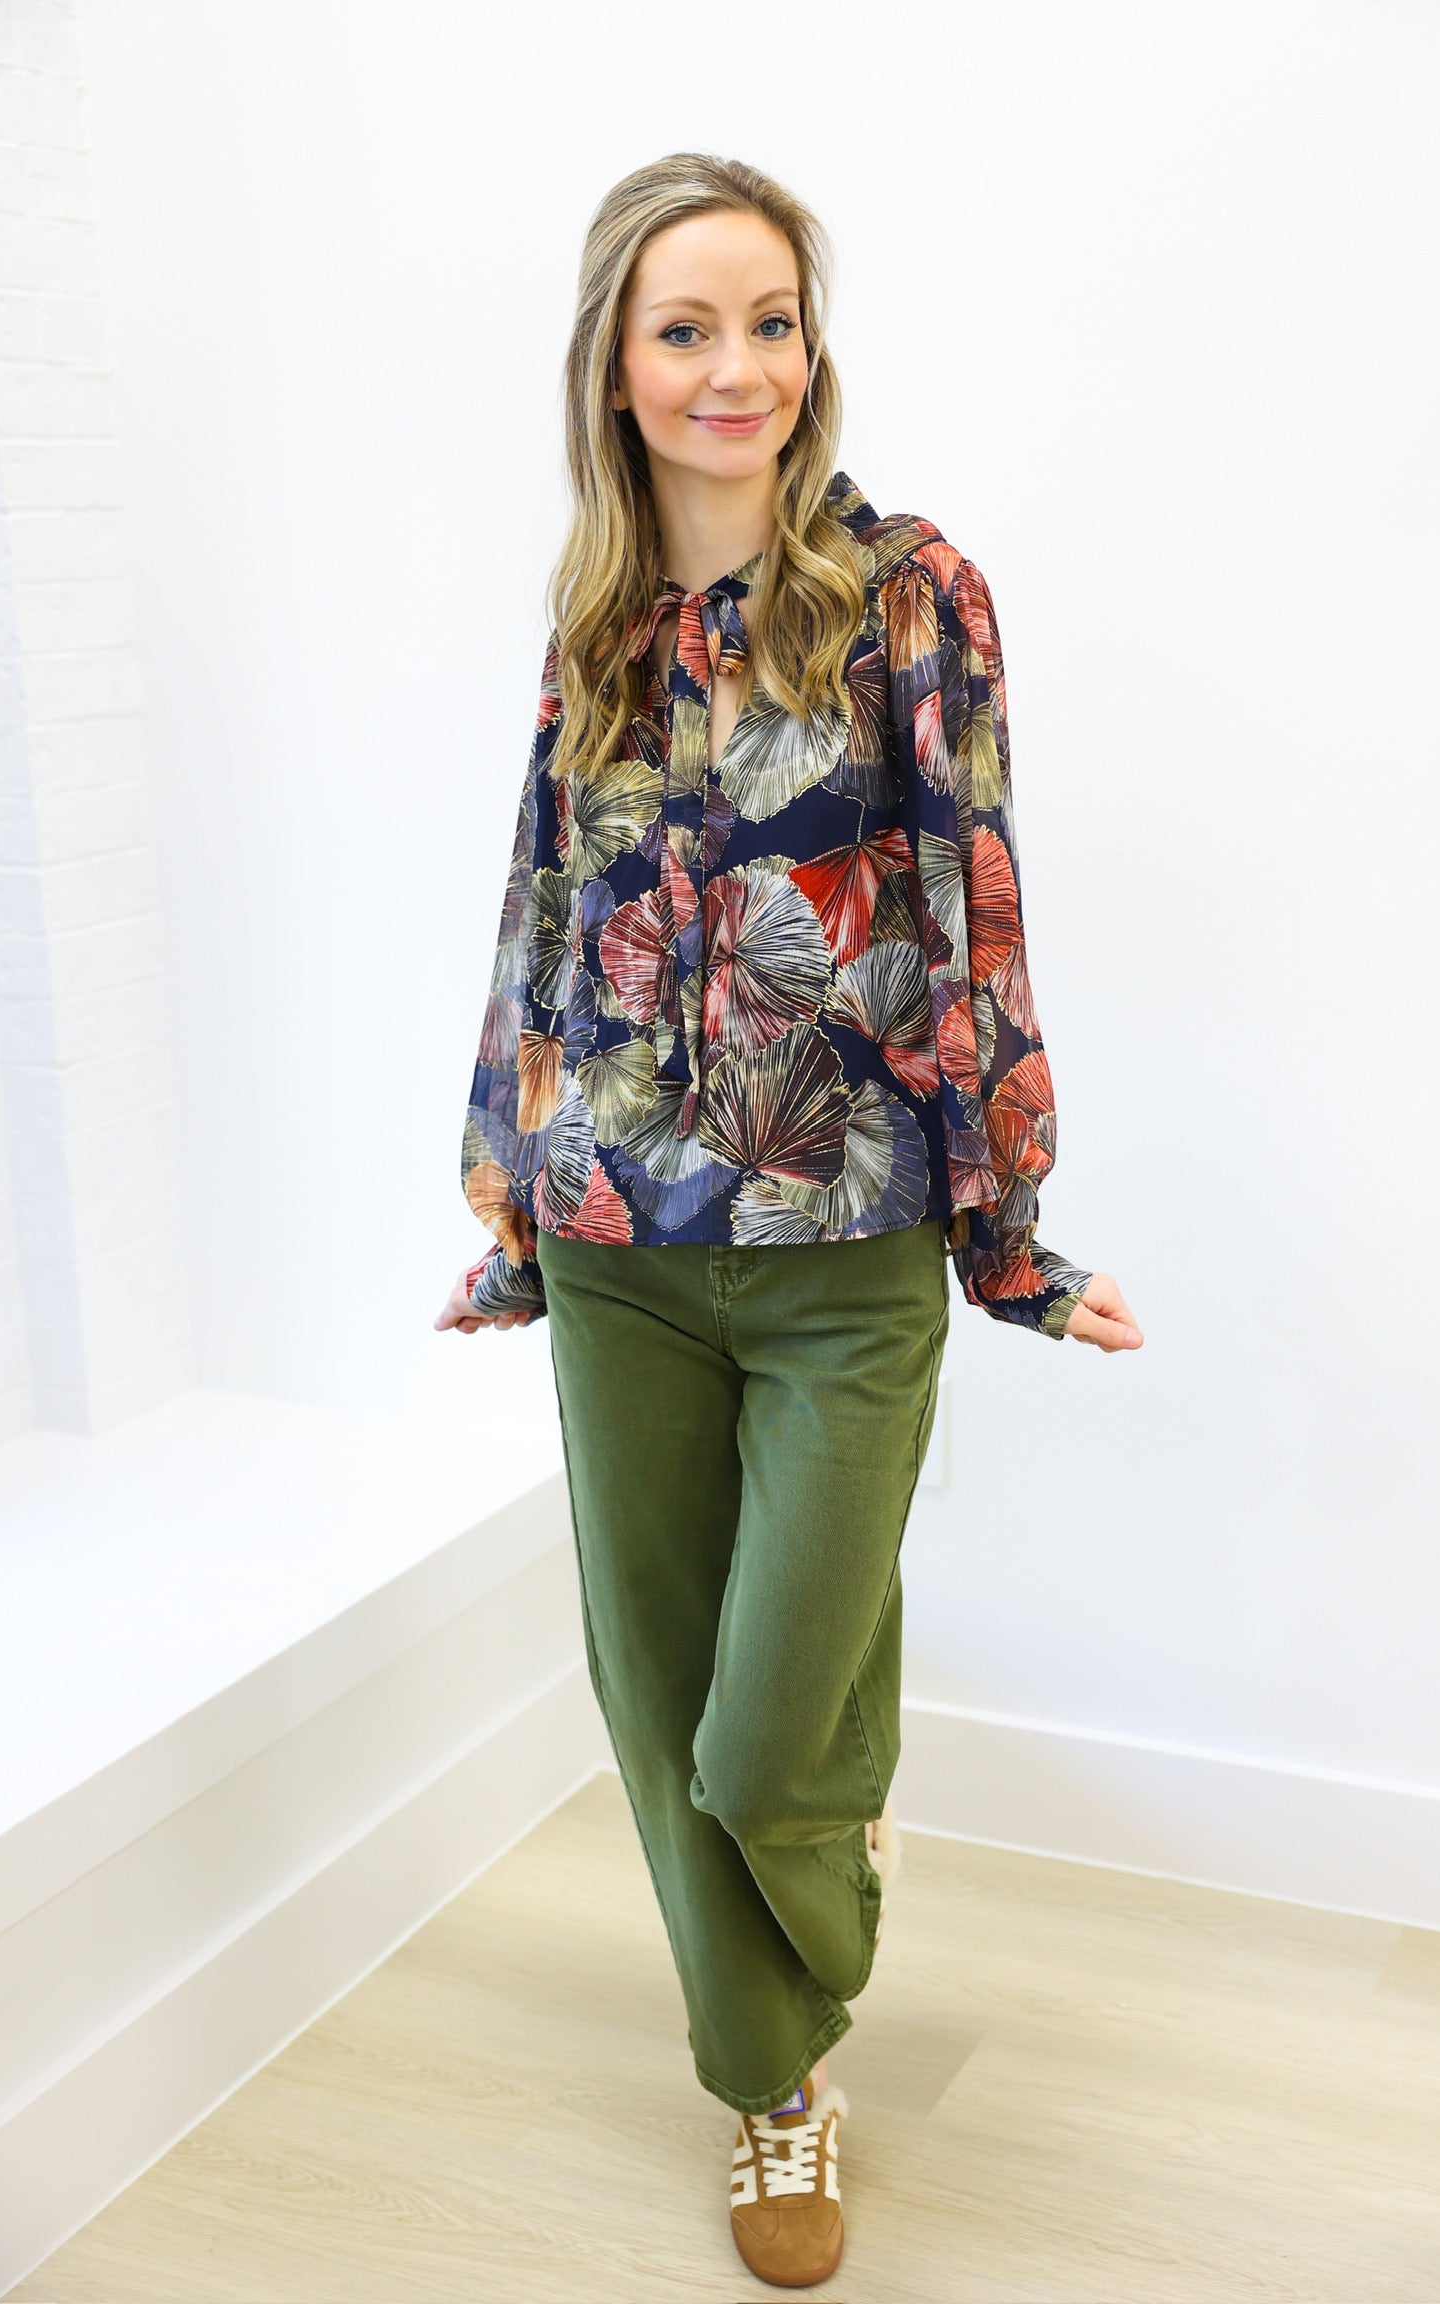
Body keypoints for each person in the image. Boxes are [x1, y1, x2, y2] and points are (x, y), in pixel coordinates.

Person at [434, 151, 1142, 2291]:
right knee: (660, 1703)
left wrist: (1010, 1237)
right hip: (619, 1251)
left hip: (848, 1256)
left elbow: (973, 906)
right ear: (617, 368)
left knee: (765, 1743)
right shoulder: (593, 625)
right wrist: (510, 1200)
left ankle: (817, 1834)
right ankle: (773, 2090)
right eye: (687, 328)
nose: (736, 366)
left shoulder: (912, 594)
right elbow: (542, 909)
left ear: (810, 351)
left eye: (770, 320)